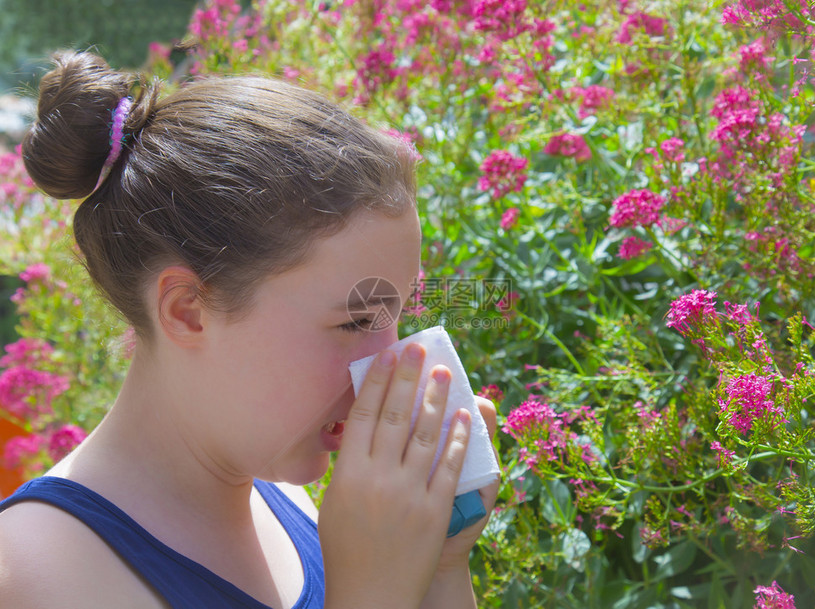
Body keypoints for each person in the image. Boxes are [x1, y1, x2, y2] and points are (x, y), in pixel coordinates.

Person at [0, 51, 500, 609]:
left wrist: (436, 567)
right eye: (355, 321)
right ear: (188, 309)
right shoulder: (44, 569)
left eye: (399, 316)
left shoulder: (289, 504)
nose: (388, 363)